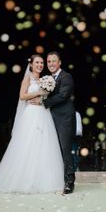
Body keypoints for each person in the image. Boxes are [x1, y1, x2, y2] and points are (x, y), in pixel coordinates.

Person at [0, 54, 64, 193]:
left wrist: (44, 95)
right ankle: (23, 178)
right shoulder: (27, 78)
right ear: (31, 65)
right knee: (28, 144)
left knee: (44, 146)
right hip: (31, 114)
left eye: (41, 63)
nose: (40, 65)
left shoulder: (45, 79)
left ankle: (42, 179)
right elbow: (22, 96)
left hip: (44, 114)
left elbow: (46, 97)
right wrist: (38, 93)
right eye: (37, 63)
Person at [42, 51, 76, 194]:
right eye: (48, 61)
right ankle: (53, 180)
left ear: (60, 62)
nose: (51, 64)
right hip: (50, 119)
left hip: (64, 119)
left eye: (53, 61)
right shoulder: (47, 79)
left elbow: (63, 96)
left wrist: (44, 102)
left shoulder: (66, 77)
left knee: (65, 150)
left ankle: (69, 182)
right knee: (51, 150)